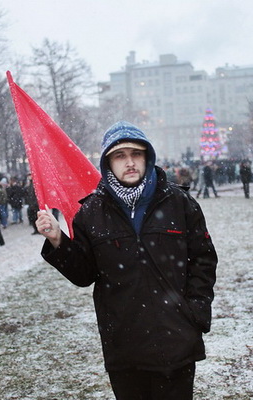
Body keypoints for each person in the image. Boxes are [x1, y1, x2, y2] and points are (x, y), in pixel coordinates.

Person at [37, 121, 217, 400]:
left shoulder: (179, 202)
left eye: (136, 154)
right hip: (124, 343)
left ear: (148, 157)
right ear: (108, 163)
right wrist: (57, 240)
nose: (130, 162)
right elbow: (84, 274)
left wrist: (195, 311)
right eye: (120, 156)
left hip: (176, 339)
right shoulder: (91, 212)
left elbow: (203, 259)